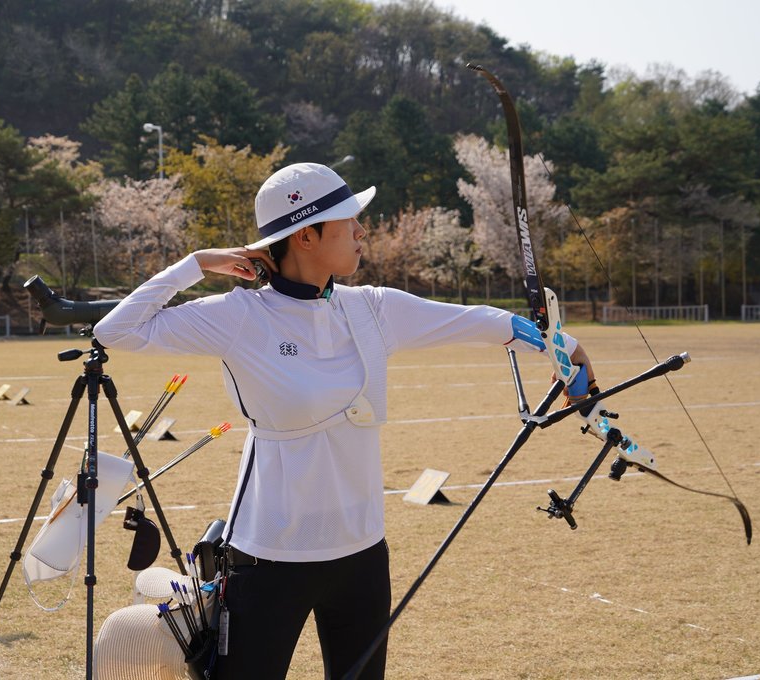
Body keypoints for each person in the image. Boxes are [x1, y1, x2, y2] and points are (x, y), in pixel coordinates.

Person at [93, 162, 595, 679]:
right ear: (306, 235)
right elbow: (116, 330)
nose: (361, 231)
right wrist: (196, 263)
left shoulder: (373, 309)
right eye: (348, 222)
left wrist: (567, 349)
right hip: (268, 555)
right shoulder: (239, 315)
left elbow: (483, 322)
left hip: (361, 554)